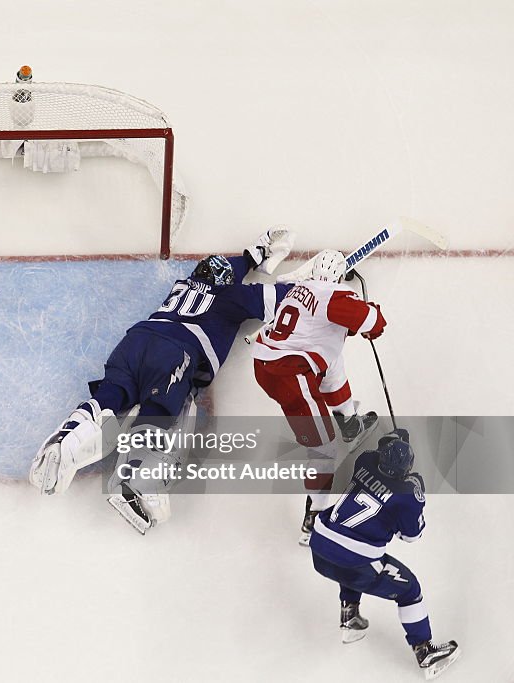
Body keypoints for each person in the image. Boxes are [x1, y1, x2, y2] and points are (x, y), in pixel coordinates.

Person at [28, 227, 295, 533]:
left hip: (134, 342)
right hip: (174, 354)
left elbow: (226, 267)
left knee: (110, 397)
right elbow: (287, 299)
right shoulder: (234, 297)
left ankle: (68, 440)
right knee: (169, 412)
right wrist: (323, 284)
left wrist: (255, 254)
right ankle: (135, 483)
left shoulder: (187, 283)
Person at [251, 249, 382, 544]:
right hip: (289, 376)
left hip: (267, 363)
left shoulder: (299, 290)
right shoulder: (335, 295)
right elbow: (370, 321)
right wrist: (372, 315)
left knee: (331, 358)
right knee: (323, 449)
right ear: (339, 276)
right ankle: (316, 517)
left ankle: (349, 422)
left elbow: (329, 333)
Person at [309, 430, 461, 679]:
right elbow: (411, 536)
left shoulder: (365, 460)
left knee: (350, 562)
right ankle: (425, 653)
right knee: (409, 590)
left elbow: (382, 447)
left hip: (320, 546)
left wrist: (396, 440)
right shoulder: (407, 496)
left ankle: (350, 617)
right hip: (353, 559)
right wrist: (417, 494)